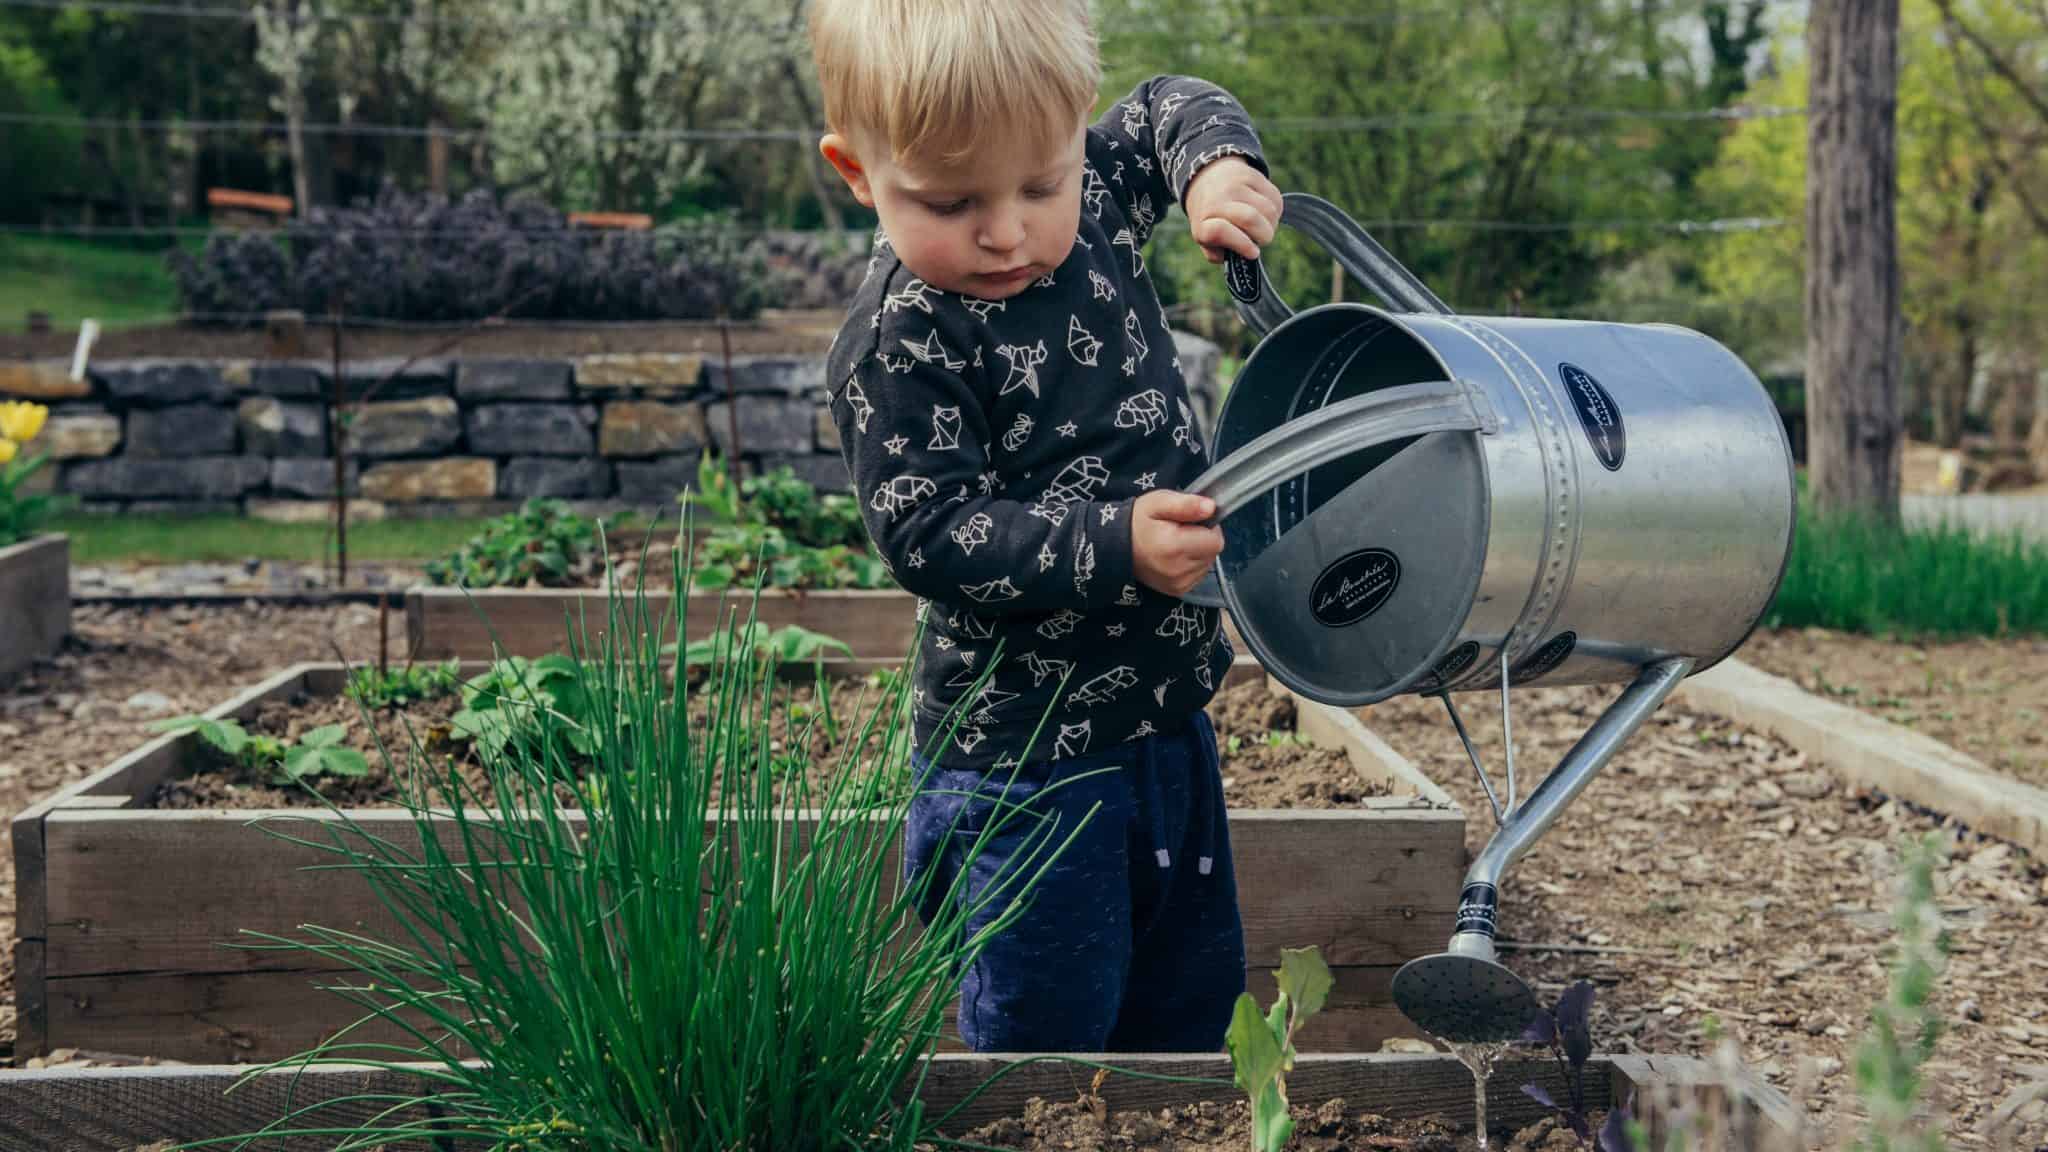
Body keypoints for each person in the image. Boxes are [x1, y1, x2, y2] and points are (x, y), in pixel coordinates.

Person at [809, 0, 1282, 1053]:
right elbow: (927, 530)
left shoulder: (1098, 194)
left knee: (1187, 1006)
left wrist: (1212, 169)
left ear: (1073, 140)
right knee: (1049, 1035)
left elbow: (1168, 106)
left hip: (1167, 721)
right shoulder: (902, 339)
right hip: (1024, 761)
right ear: (855, 173)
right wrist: (1112, 545)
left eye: (1040, 183)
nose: (1006, 229)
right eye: (950, 199)